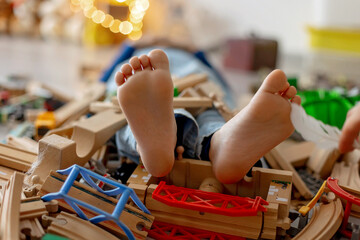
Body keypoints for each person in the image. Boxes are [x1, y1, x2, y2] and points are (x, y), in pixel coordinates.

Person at [114, 49, 301, 184]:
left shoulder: (131, 52)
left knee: (122, 122)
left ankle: (145, 146)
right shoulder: (197, 54)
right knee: (211, 113)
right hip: (198, 82)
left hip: (148, 86)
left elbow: (104, 76)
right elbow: (223, 83)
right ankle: (217, 143)